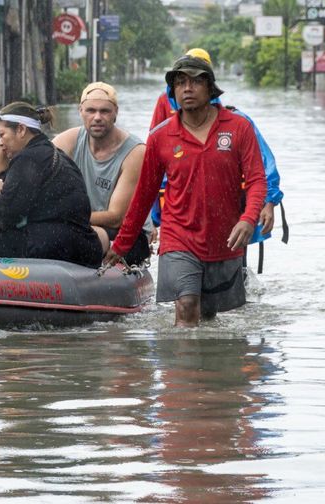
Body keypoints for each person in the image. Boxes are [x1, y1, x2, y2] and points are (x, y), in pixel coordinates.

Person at [105, 55, 267, 327]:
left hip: (224, 239)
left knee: (208, 315)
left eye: (194, 82)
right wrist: (121, 244)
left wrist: (248, 218)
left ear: (210, 88)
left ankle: (208, 367)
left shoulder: (238, 127)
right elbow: (144, 196)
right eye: (180, 83)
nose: (187, 89)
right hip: (179, 237)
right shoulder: (160, 137)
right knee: (187, 305)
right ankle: (182, 369)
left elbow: (256, 180)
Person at [149, 48, 285, 250]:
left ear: (209, 83)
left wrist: (269, 201)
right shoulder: (164, 121)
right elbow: (151, 170)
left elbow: (261, 167)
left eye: (197, 79)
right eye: (182, 80)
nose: (189, 87)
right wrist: (149, 221)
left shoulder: (237, 123)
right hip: (179, 219)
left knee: (233, 264)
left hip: (229, 214)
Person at [0, 102, 102, 267]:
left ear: (21, 130)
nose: (0, 143)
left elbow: (6, 213)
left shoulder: (28, 159)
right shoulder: (54, 154)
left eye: (2, 134)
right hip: (83, 245)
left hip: (54, 244)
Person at [51, 81, 152, 265]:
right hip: (81, 226)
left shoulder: (135, 152)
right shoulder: (68, 140)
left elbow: (115, 217)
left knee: (66, 237)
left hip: (127, 236)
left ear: (115, 113)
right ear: (80, 111)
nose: (97, 117)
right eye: (91, 111)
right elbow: (36, 164)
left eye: (104, 111)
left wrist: (64, 217)